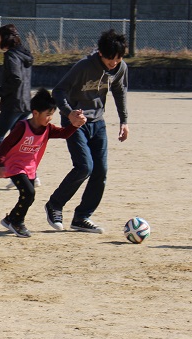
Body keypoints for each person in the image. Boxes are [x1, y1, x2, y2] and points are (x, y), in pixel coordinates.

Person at [44, 29, 129, 234]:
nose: (114, 63)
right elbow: (58, 91)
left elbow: (119, 90)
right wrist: (69, 113)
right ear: (101, 53)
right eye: (111, 59)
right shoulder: (84, 66)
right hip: (75, 122)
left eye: (118, 59)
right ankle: (54, 205)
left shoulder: (120, 67)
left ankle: (82, 217)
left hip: (98, 123)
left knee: (101, 171)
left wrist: (124, 121)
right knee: (84, 167)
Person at [0, 89, 86, 238]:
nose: (50, 118)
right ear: (36, 113)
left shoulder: (48, 129)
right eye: (47, 114)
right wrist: (1, 163)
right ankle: (17, 222)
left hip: (30, 167)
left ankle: (10, 218)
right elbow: (5, 144)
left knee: (27, 196)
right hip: (14, 166)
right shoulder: (22, 127)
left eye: (52, 114)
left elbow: (64, 133)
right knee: (29, 194)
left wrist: (75, 124)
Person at [0, 24, 37, 188]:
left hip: (13, 104)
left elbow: (16, 79)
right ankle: (32, 175)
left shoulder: (11, 56)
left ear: (4, 38)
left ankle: (15, 171)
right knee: (18, 141)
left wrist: (0, 92)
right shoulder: (24, 55)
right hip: (25, 103)